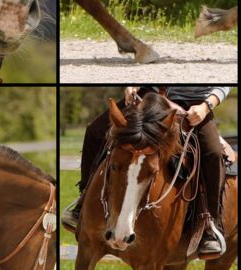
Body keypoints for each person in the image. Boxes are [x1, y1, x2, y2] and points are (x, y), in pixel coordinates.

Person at [62, 86, 231, 258]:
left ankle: (210, 222)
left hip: (195, 106)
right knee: (95, 131)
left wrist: (206, 106)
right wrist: (132, 85)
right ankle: (83, 201)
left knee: (213, 153)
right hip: (151, 94)